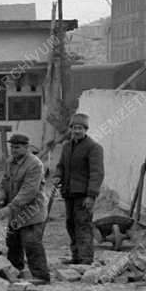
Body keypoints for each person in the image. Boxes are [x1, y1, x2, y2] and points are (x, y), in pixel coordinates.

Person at [53, 113, 104, 265]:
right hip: (69, 193)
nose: (77, 131)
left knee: (83, 225)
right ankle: (76, 257)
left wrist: (91, 196)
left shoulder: (94, 147)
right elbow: (61, 166)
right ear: (71, 129)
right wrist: (57, 176)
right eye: (74, 128)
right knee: (71, 224)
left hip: (83, 195)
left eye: (80, 128)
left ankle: (86, 259)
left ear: (85, 129)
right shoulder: (67, 146)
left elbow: (97, 173)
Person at [0, 133, 50, 282]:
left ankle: (41, 276)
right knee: (13, 244)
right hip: (15, 212)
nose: (14, 150)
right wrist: (1, 195)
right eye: (12, 147)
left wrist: (9, 208)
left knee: (31, 244)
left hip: (31, 213)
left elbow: (29, 192)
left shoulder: (35, 164)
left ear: (26, 147)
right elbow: (4, 182)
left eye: (18, 147)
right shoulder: (10, 162)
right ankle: (15, 273)